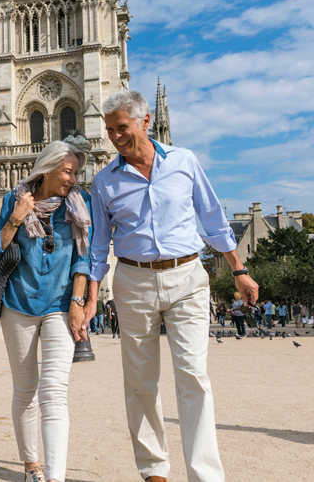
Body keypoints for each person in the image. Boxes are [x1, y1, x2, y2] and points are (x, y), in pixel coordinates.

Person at [84, 90, 259, 482]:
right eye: (110, 130)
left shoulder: (184, 161)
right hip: (133, 278)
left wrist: (239, 270)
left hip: (187, 278)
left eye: (121, 128)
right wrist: (92, 296)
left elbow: (213, 219)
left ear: (146, 122)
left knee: (193, 374)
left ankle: (205, 475)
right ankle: (154, 471)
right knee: (140, 380)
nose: (114, 137)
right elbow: (98, 245)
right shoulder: (103, 182)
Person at [0, 140, 92, 482]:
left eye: (76, 172)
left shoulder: (80, 205)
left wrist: (78, 303)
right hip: (18, 303)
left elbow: (84, 259)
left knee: (54, 390)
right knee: (25, 389)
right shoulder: (14, 200)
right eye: (67, 171)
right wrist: (16, 219)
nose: (73, 179)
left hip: (61, 305)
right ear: (46, 169)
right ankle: (33, 466)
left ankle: (56, 477)